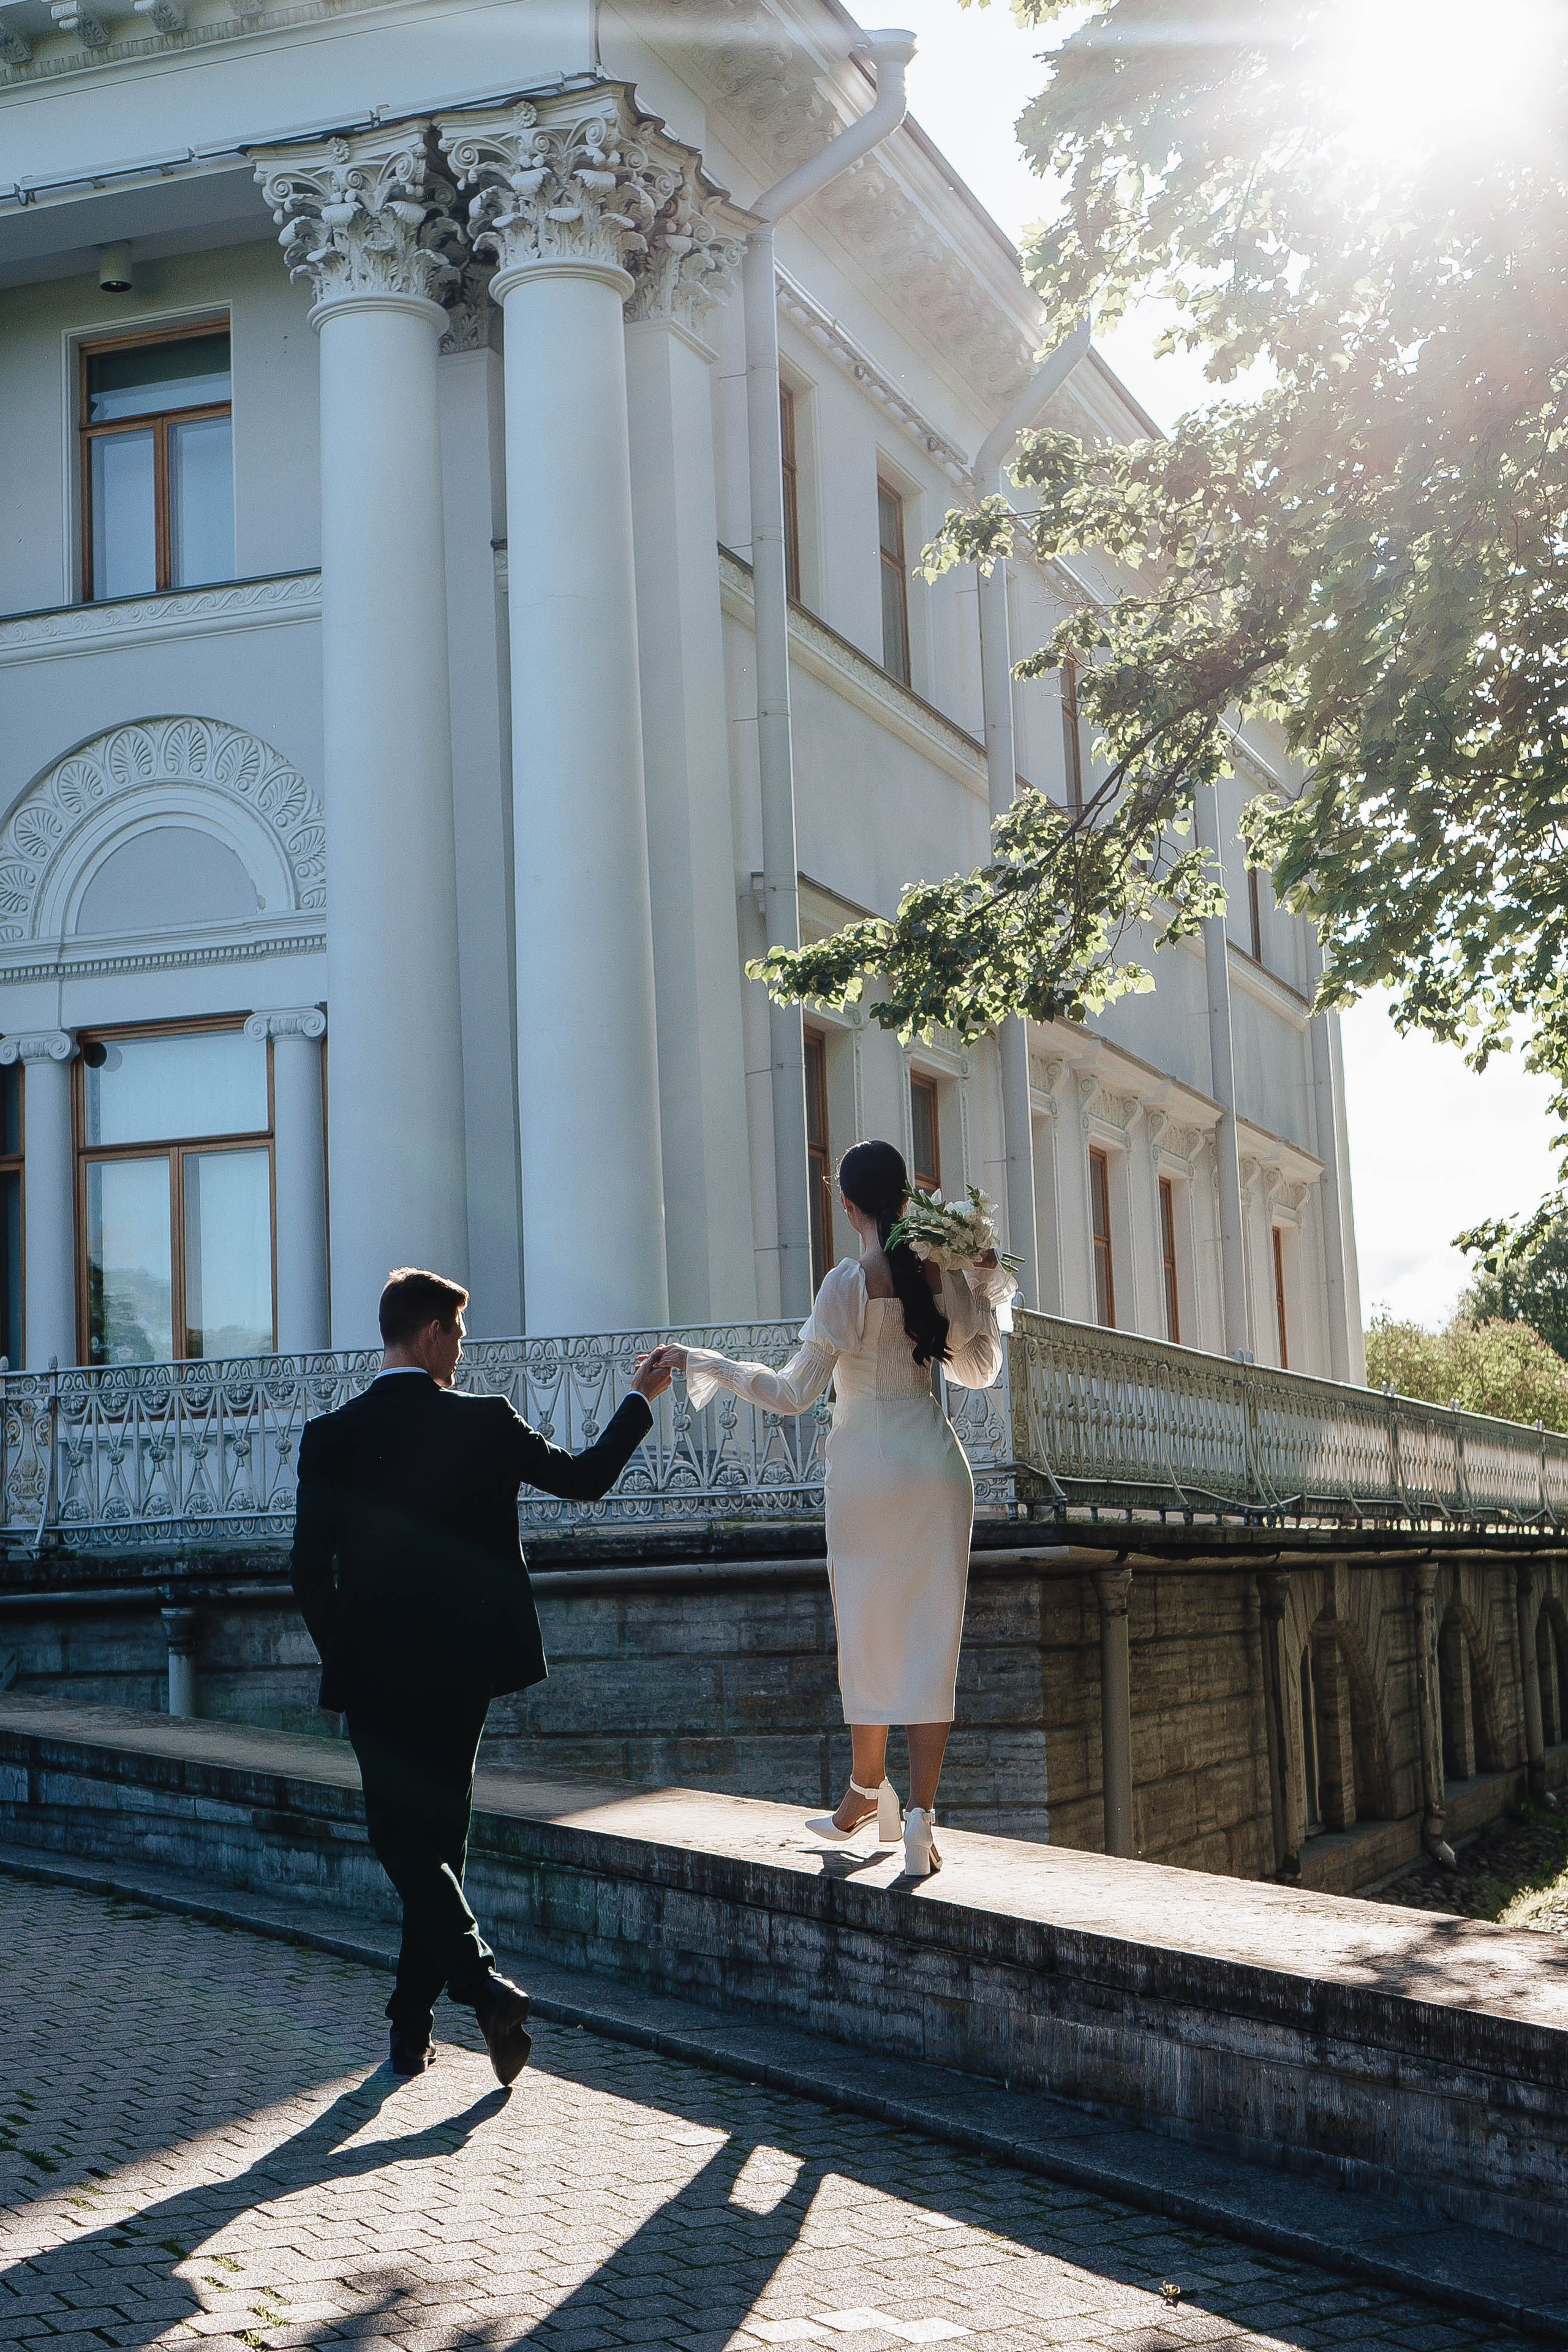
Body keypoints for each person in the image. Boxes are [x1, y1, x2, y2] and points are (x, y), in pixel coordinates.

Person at [290, 1266, 672, 2084]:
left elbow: (307, 1570)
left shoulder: (331, 1435)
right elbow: (585, 1479)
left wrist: (343, 1647)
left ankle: (477, 1989)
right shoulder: (485, 1421)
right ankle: (416, 2024)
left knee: (404, 1837)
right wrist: (639, 1400)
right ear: (430, 1333)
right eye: (458, 1334)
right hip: (464, 1668)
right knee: (434, 1839)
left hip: (376, 1669)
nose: (462, 1349)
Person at [652, 1140, 1014, 1878]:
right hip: (935, 1466)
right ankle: (915, 1818)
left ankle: (864, 1790)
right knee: (930, 1637)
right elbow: (980, 1373)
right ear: (908, 1200)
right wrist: (982, 1284)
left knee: (867, 1628)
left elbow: (792, 1394)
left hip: (866, 1473)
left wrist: (704, 1362)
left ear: (847, 1206)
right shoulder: (938, 1273)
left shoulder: (847, 1282)